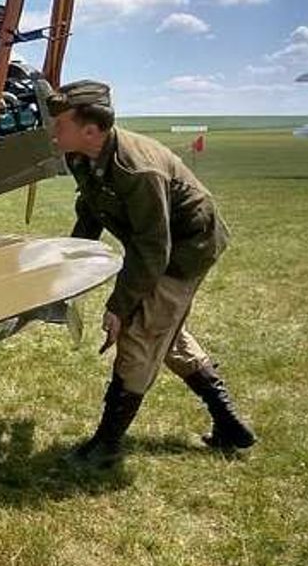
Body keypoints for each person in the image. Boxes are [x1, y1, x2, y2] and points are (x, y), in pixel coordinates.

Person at [46, 80, 256, 467]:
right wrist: (67, 269)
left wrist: (118, 307)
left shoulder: (136, 169)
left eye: (60, 124)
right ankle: (230, 426)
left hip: (185, 250)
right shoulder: (82, 157)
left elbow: (152, 248)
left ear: (91, 130)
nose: (53, 131)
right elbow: (91, 212)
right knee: (165, 334)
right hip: (158, 246)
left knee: (140, 337)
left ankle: (106, 445)